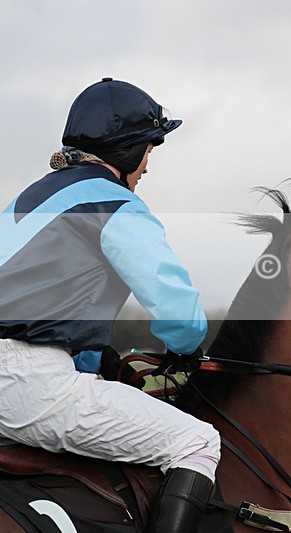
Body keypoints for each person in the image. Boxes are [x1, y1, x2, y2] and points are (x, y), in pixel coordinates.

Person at [0, 78, 220, 532]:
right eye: (148, 152)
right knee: (196, 441)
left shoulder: (25, 200)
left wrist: (93, 356)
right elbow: (178, 312)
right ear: (126, 151)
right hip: (28, 387)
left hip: (24, 377)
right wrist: (185, 347)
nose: (146, 168)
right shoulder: (117, 205)